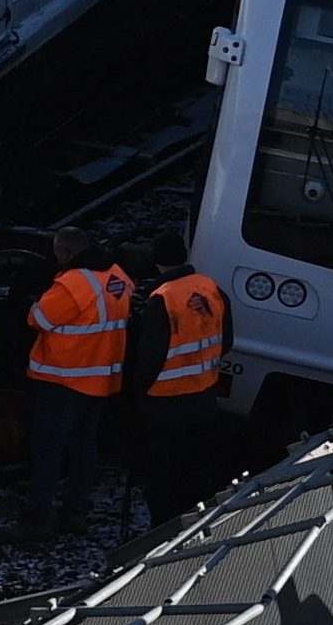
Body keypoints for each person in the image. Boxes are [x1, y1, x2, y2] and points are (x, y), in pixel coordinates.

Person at [19, 230, 134, 537]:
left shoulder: (74, 284)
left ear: (66, 253)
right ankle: (76, 511)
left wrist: (35, 302)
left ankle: (37, 518)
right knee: (85, 447)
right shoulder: (118, 277)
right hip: (100, 380)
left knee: (48, 449)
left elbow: (38, 319)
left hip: (63, 380)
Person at [126, 247, 230, 527]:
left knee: (163, 473)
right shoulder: (211, 289)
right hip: (204, 397)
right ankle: (197, 524)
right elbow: (226, 339)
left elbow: (150, 355)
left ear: (157, 263)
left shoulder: (162, 298)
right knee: (196, 468)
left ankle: (164, 531)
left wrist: (138, 392)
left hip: (166, 402)